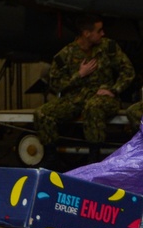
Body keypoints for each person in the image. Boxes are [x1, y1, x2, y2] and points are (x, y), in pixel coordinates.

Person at [34, 13, 135, 160]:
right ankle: (52, 156)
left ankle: (94, 157)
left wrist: (114, 90)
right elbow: (55, 84)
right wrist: (79, 75)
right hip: (76, 98)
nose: (103, 33)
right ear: (87, 33)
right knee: (41, 114)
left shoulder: (108, 47)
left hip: (102, 96)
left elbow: (128, 71)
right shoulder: (66, 54)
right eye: (99, 31)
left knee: (92, 107)